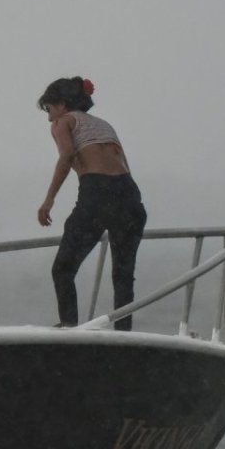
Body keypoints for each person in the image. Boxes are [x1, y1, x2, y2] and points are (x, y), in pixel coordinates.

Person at [37, 76, 147, 330]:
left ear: (62, 105)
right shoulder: (104, 125)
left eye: (49, 110)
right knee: (123, 275)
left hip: (98, 192)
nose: (49, 118)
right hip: (130, 195)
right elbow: (123, 166)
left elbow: (66, 158)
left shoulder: (64, 122)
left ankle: (69, 327)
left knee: (63, 268)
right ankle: (124, 336)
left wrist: (48, 201)